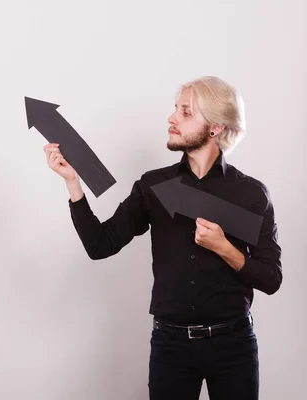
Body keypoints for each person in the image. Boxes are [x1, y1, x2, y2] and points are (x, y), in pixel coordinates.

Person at [43, 76, 282, 400]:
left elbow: (271, 278)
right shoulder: (155, 187)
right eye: (175, 109)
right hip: (172, 348)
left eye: (186, 112)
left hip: (234, 346)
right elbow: (100, 245)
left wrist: (224, 248)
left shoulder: (251, 194)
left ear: (215, 128)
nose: (172, 118)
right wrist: (73, 183)